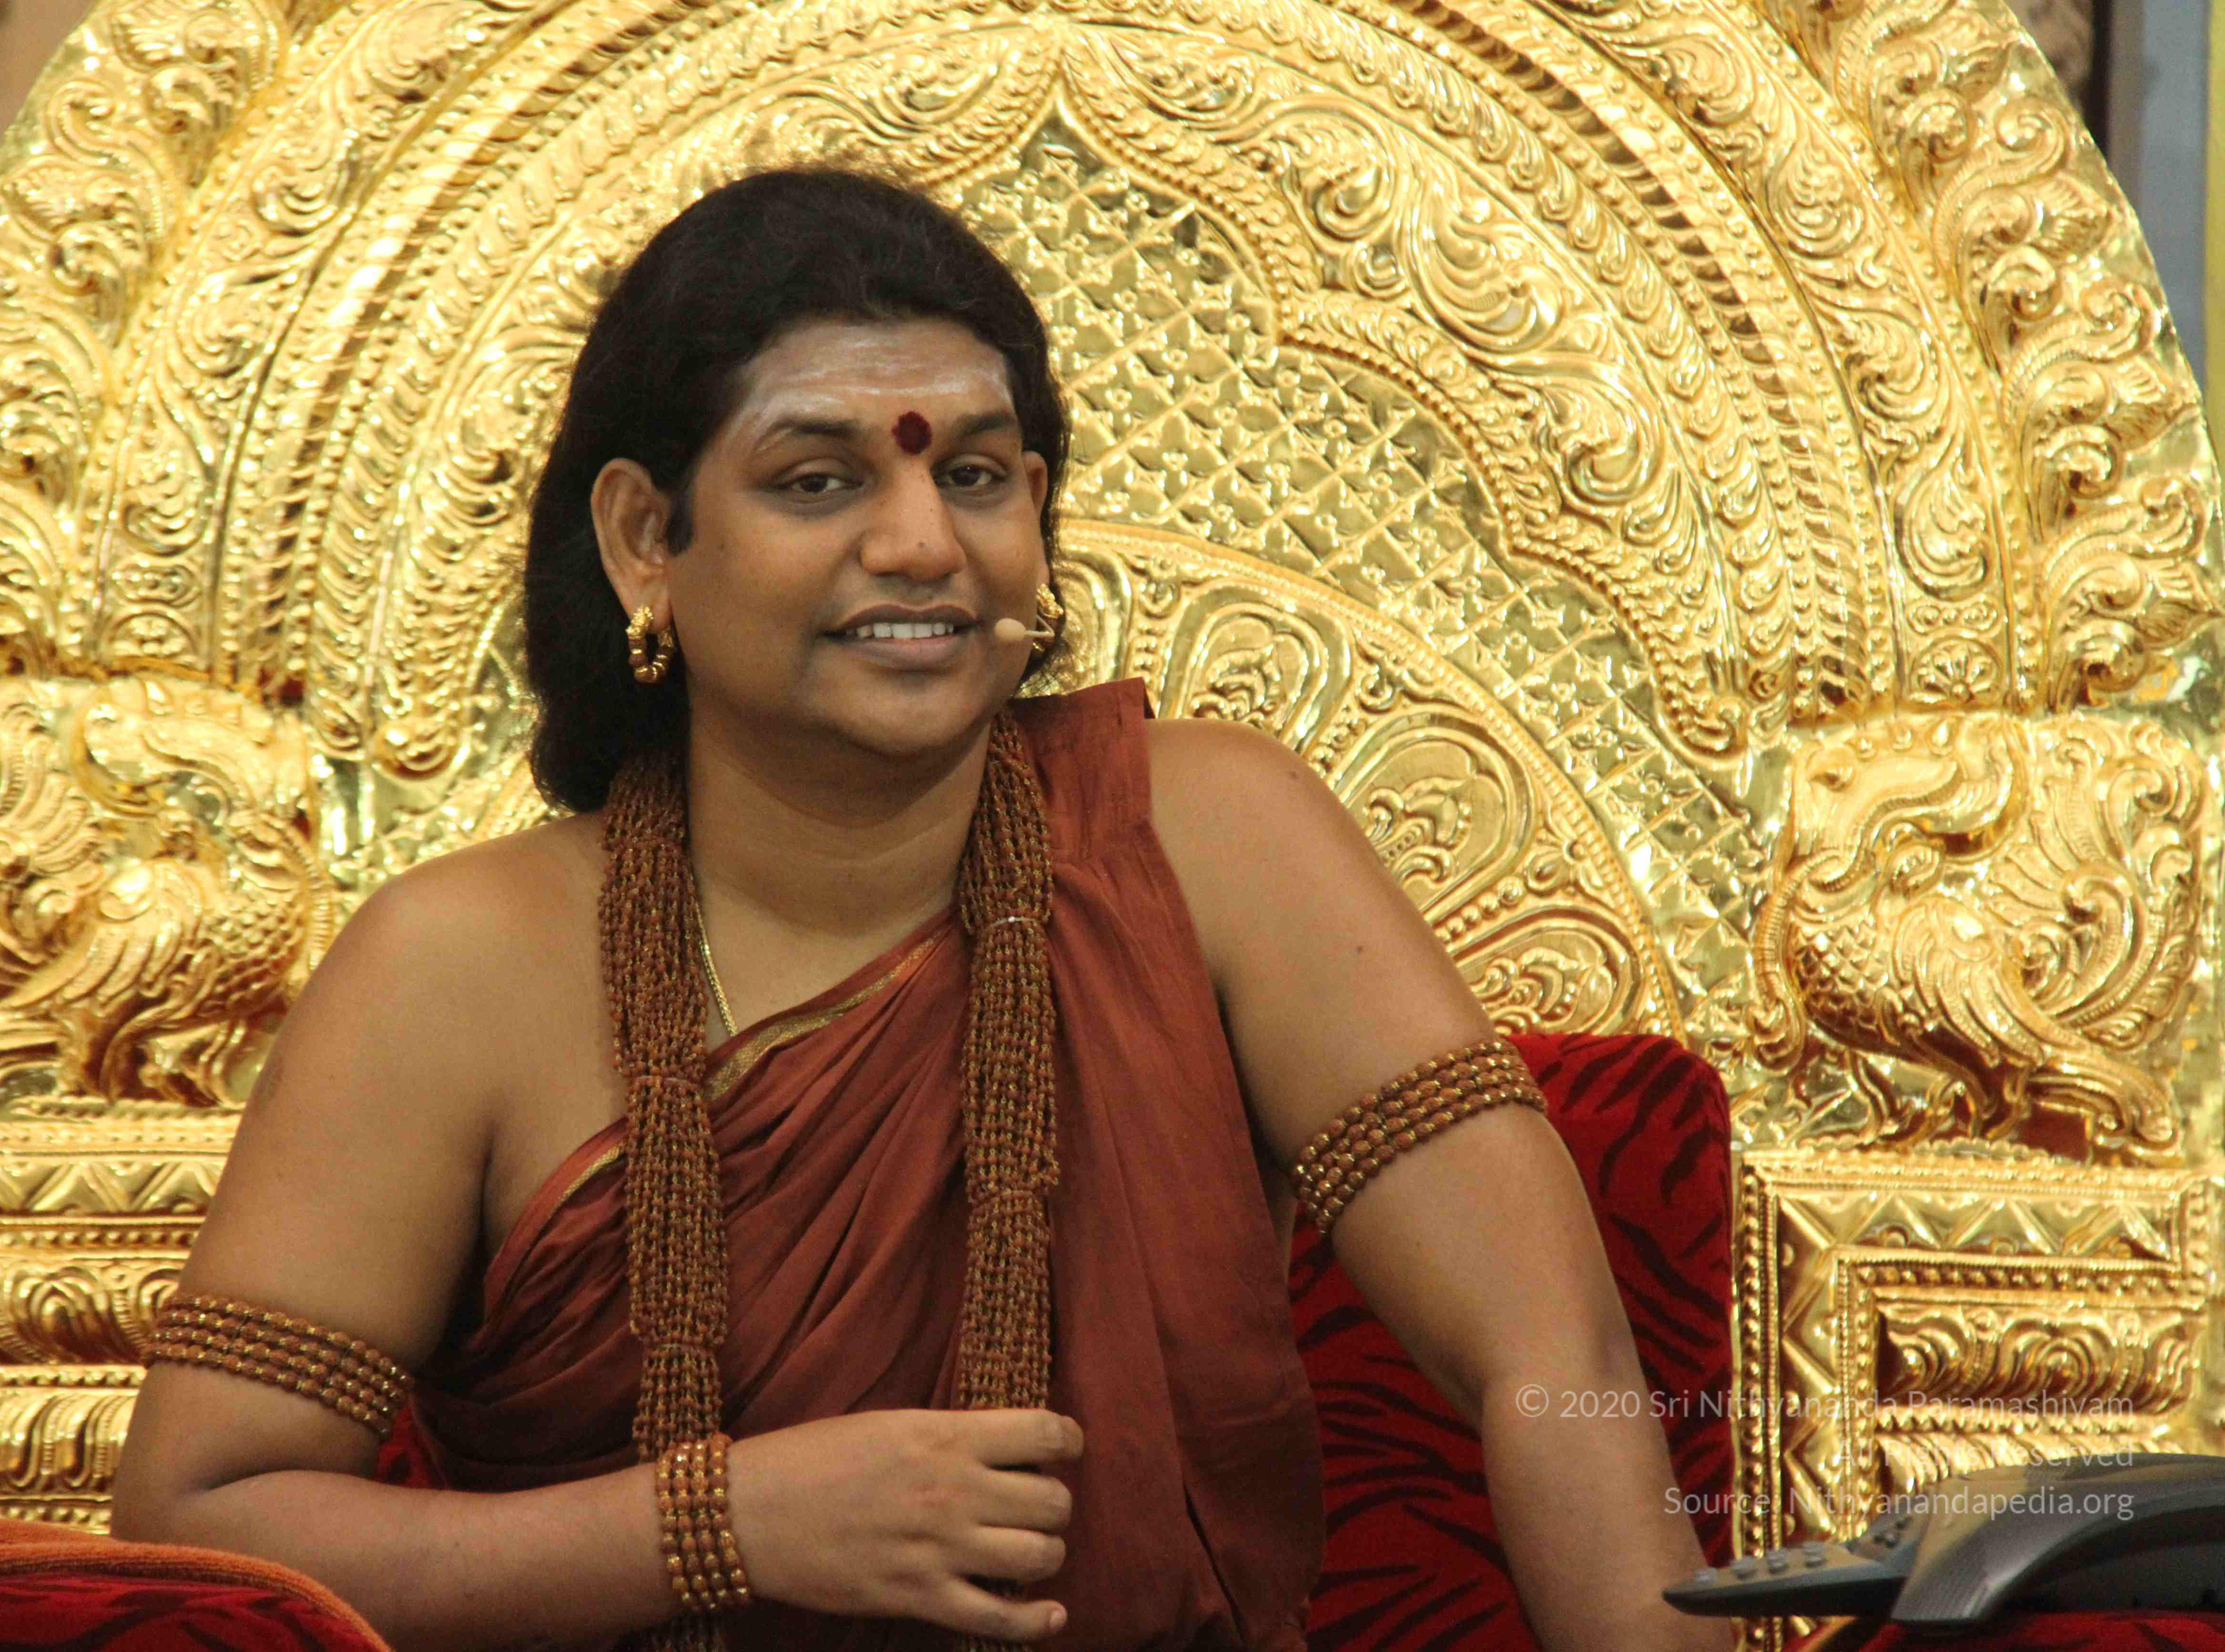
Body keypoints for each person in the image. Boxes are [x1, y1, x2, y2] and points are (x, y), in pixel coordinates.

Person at [109, 167, 1725, 1652]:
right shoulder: (458, 968)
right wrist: (722, 1525)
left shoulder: (1211, 842)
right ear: (645, 541)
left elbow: (1556, 1367)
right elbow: (206, 1516)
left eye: (974, 475)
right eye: (817, 481)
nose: (921, 544)